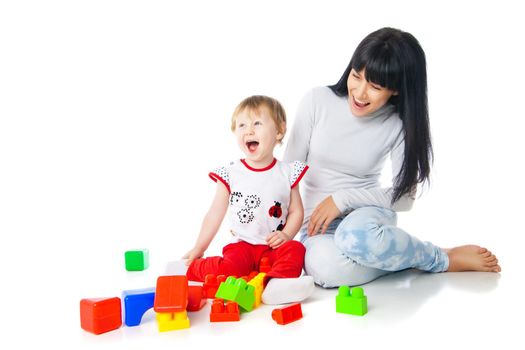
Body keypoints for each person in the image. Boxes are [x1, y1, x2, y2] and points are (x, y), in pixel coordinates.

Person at [283, 27, 501, 288]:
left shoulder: (397, 125)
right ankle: (404, 259)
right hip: (316, 226)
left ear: (397, 90)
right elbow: (287, 174)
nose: (360, 93)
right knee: (326, 271)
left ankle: (440, 258)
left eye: (375, 86)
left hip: (365, 220)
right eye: (356, 76)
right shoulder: (317, 101)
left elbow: (405, 198)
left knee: (357, 237)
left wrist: (342, 199)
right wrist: (273, 229)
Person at [182, 95, 314, 304]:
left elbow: (296, 211)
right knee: (230, 268)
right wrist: (199, 248)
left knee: (296, 249)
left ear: (279, 131)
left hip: (274, 247)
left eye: (257, 123)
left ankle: (276, 285)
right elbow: (214, 214)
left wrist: (286, 234)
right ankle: (191, 269)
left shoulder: (287, 172)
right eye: (241, 125)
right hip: (243, 246)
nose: (249, 130)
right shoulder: (231, 173)